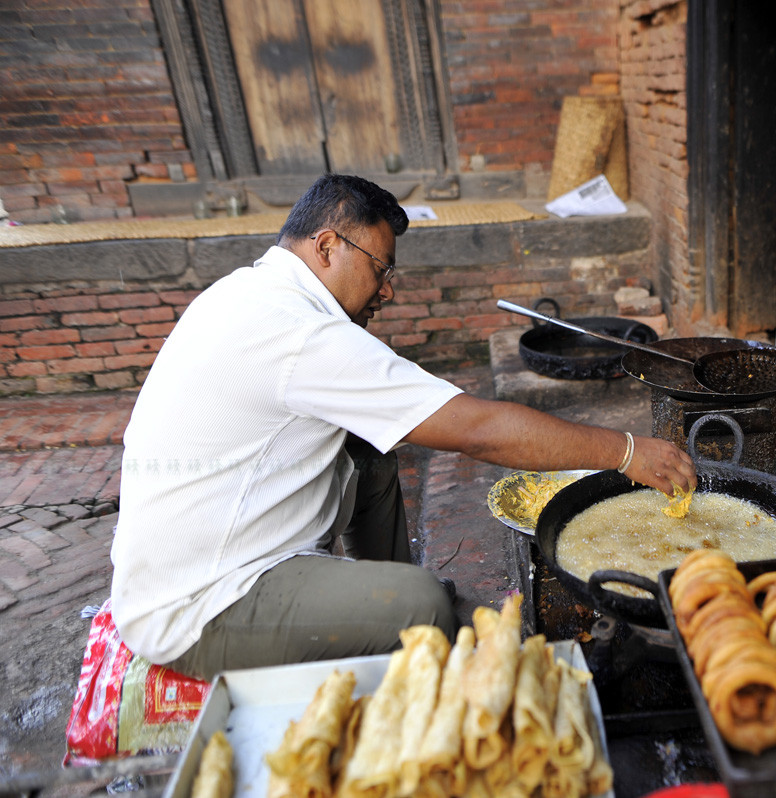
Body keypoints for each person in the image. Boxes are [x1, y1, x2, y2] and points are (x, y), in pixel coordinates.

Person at [109, 174, 695, 680]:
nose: (387, 288)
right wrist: (624, 451)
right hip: (200, 606)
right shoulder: (298, 333)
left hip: (209, 557)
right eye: (380, 268)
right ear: (327, 246)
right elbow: (479, 429)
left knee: (369, 449)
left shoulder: (253, 293)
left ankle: (372, 607)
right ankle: (401, 618)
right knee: (422, 607)